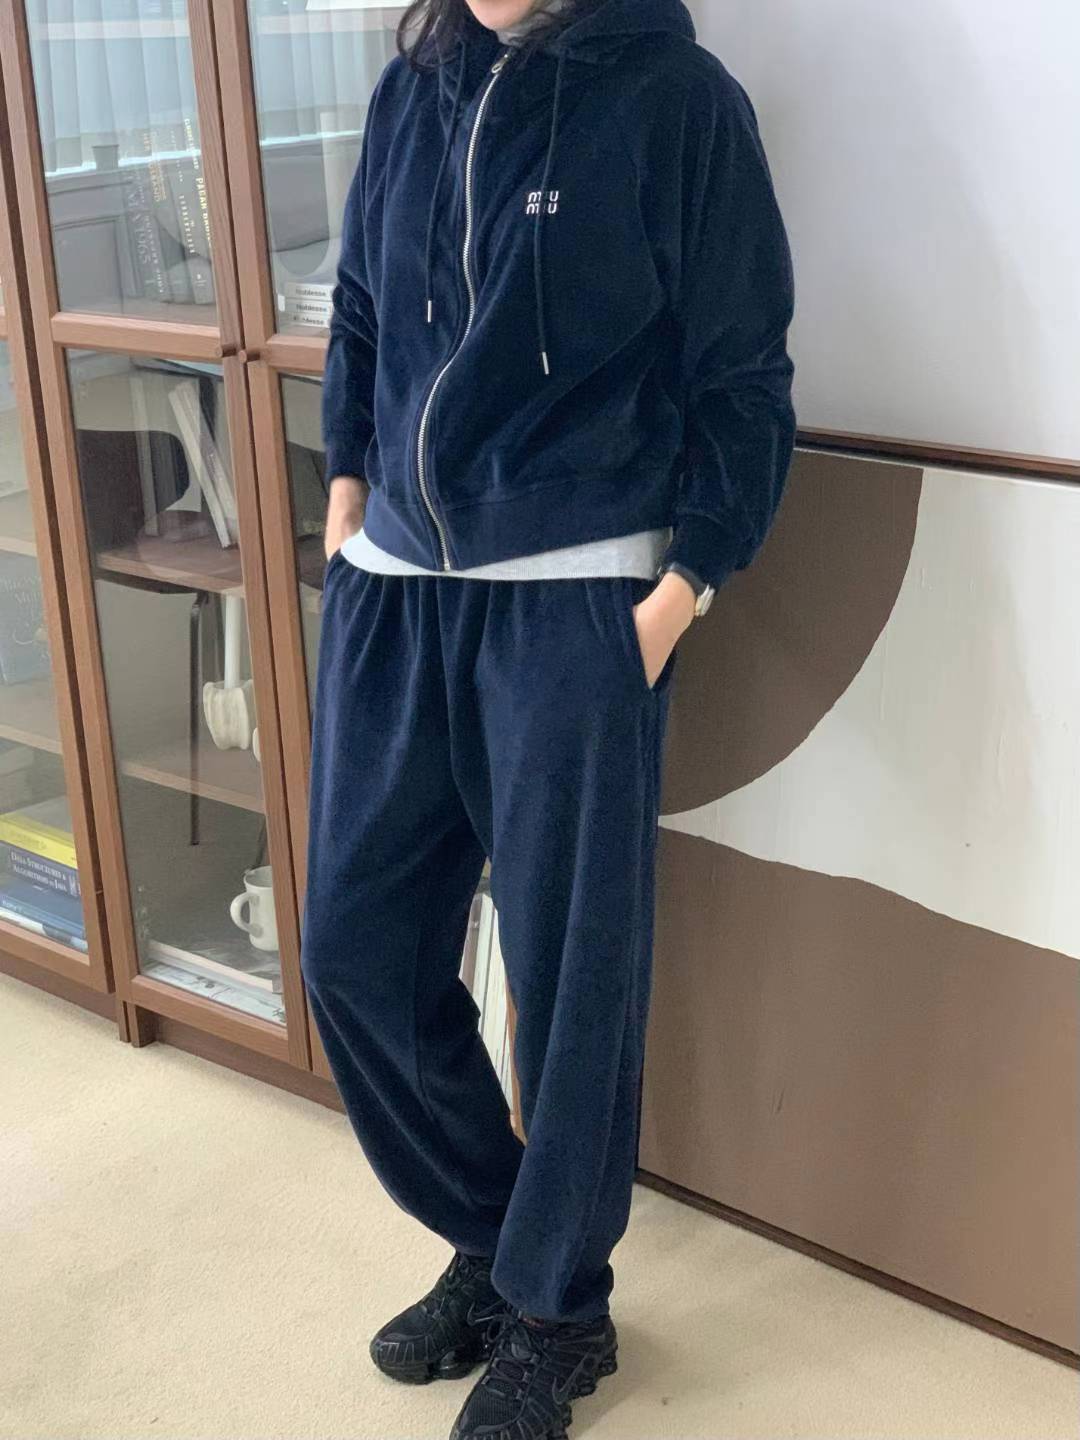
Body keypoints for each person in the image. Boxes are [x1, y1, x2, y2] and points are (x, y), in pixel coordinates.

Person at [300, 0, 796, 1434]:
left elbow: (742, 373)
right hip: (396, 585)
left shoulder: (679, 98)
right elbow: (363, 309)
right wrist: (346, 489)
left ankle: (557, 1314)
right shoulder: (412, 91)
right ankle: (498, 1234)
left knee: (572, 985)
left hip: (576, 599)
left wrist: (679, 591)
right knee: (353, 948)